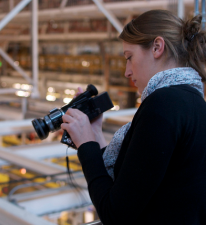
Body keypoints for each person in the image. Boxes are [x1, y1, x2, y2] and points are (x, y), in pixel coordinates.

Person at [61, 10, 206, 225]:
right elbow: (135, 182)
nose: (127, 72)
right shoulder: (193, 101)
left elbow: (114, 213)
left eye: (129, 57)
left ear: (157, 47)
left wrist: (86, 144)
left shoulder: (162, 105)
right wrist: (95, 134)